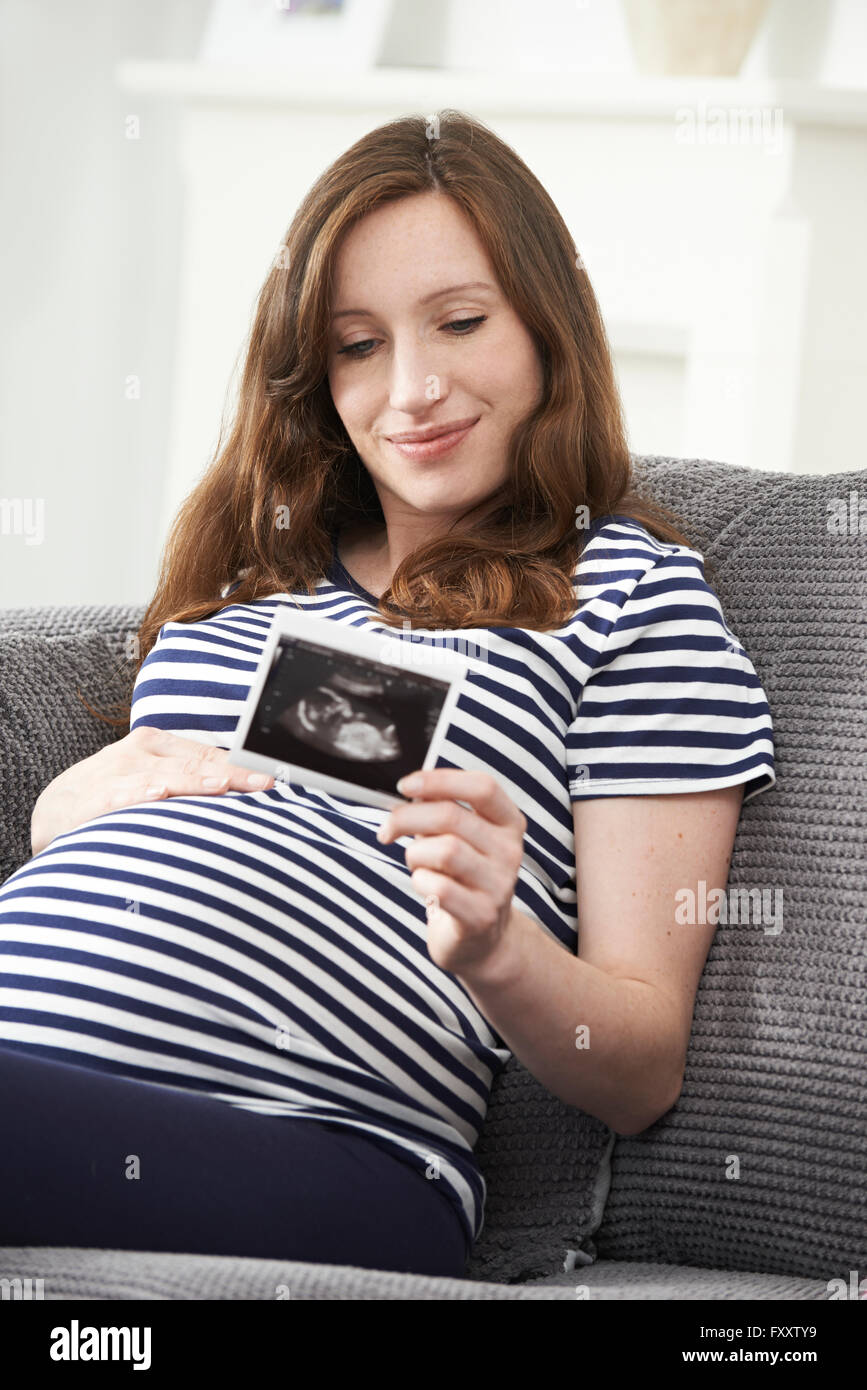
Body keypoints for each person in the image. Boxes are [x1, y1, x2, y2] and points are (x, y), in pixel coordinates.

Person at [0, 110, 775, 1280]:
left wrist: (496, 945)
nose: (411, 389)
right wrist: (63, 808)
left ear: (544, 328)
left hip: (332, 1155)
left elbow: (640, 1063)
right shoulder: (244, 578)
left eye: (460, 323)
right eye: (358, 345)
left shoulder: (627, 594)